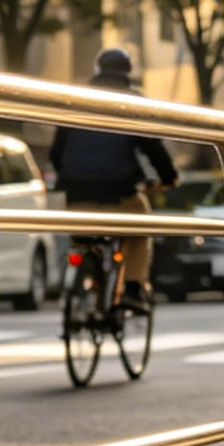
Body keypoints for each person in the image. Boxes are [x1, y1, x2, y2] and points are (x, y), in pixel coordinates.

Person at [47, 48, 179, 305]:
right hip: (119, 194)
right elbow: (154, 149)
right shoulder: (133, 102)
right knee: (141, 230)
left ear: (98, 70)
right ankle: (131, 287)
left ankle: (83, 278)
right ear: (128, 72)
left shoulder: (77, 99)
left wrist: (72, 174)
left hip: (77, 195)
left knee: (84, 240)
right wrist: (169, 177)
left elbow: (56, 153)